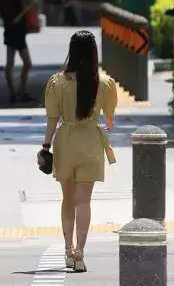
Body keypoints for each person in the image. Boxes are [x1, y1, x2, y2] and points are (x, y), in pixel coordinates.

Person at [40, 30, 117, 273]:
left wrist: (45, 146)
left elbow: (52, 118)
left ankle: (67, 249)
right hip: (91, 141)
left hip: (66, 141)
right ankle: (80, 254)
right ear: (94, 53)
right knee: (85, 201)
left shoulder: (57, 81)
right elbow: (110, 117)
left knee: (68, 200)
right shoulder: (104, 83)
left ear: (71, 51)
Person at [0, 0, 35, 102]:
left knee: (26, 63)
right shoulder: (5, 0)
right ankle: (13, 92)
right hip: (12, 33)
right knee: (11, 63)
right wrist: (24, 11)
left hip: (18, 34)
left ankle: (19, 91)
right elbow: (11, 19)